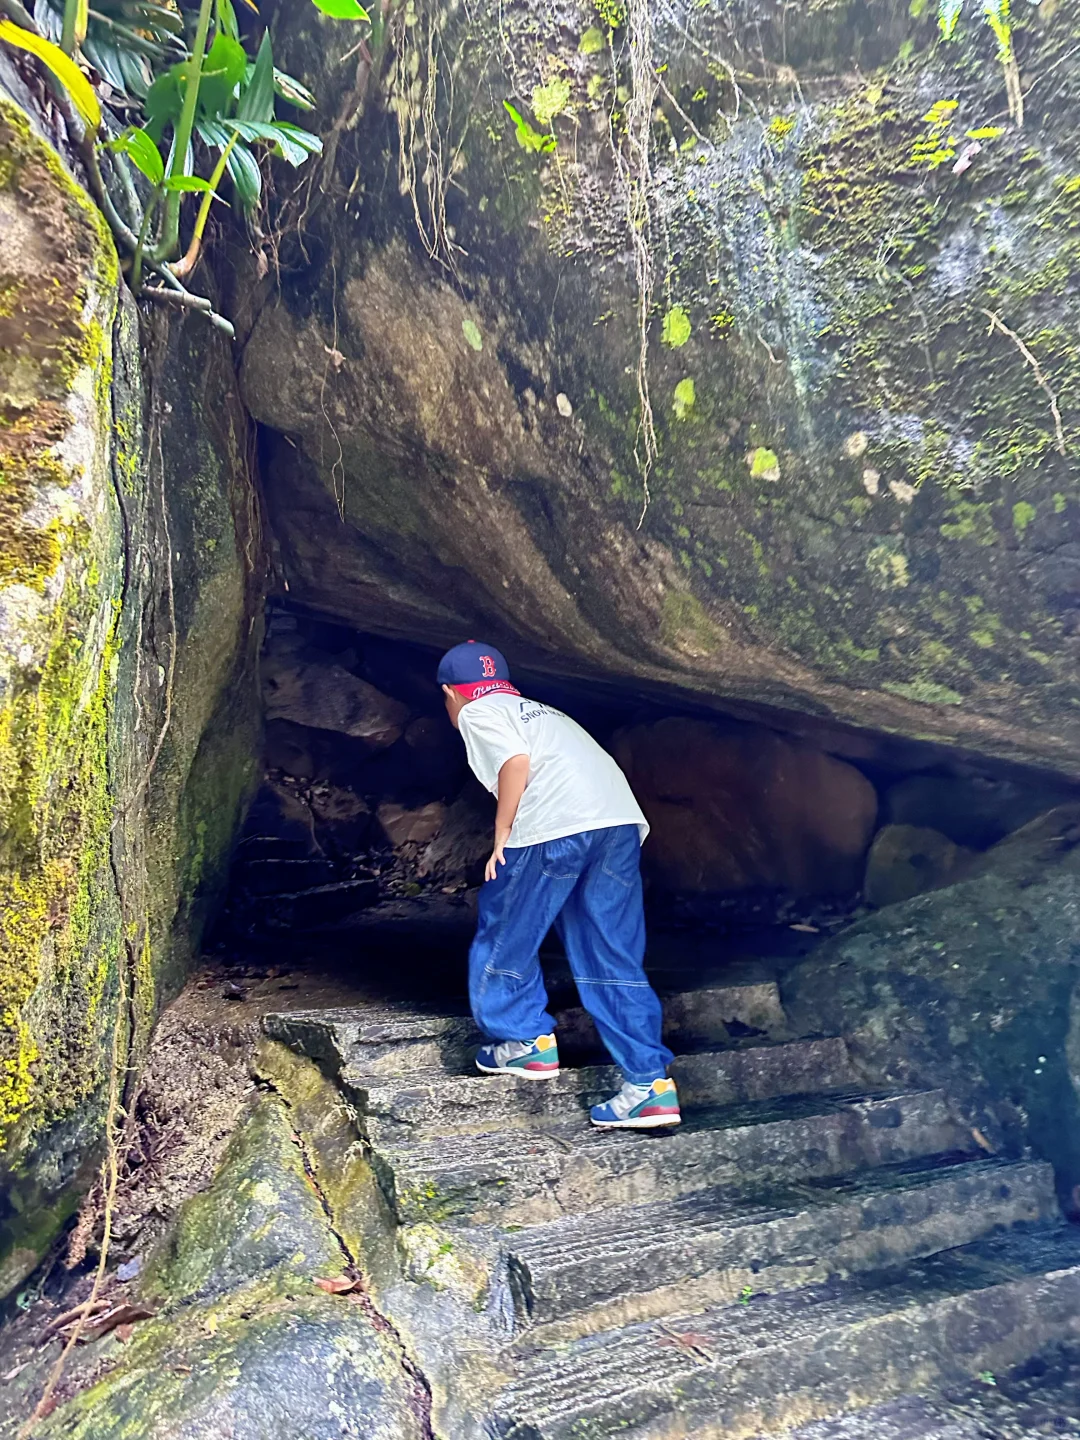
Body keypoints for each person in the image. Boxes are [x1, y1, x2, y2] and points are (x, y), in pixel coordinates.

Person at [437, 640, 679, 1129]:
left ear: (451, 694)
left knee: (507, 925)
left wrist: (501, 832)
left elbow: (514, 764)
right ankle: (650, 1086)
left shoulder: (477, 713)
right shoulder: (540, 711)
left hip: (555, 827)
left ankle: (524, 1040)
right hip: (616, 823)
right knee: (608, 950)